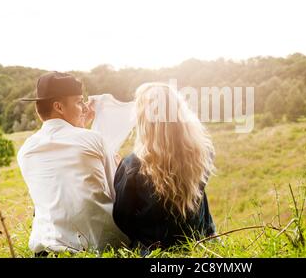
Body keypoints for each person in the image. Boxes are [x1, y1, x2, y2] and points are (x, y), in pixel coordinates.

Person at [17, 71, 129, 256]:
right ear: (59, 107)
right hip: (101, 248)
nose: (85, 108)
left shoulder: (25, 151)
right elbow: (117, 195)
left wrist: (79, 126)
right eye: (79, 102)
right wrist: (121, 170)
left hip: (46, 250)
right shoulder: (93, 140)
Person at [113, 82, 216, 252]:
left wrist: (122, 173)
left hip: (153, 252)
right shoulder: (204, 153)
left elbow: (122, 219)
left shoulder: (132, 164)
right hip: (198, 246)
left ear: (143, 119)